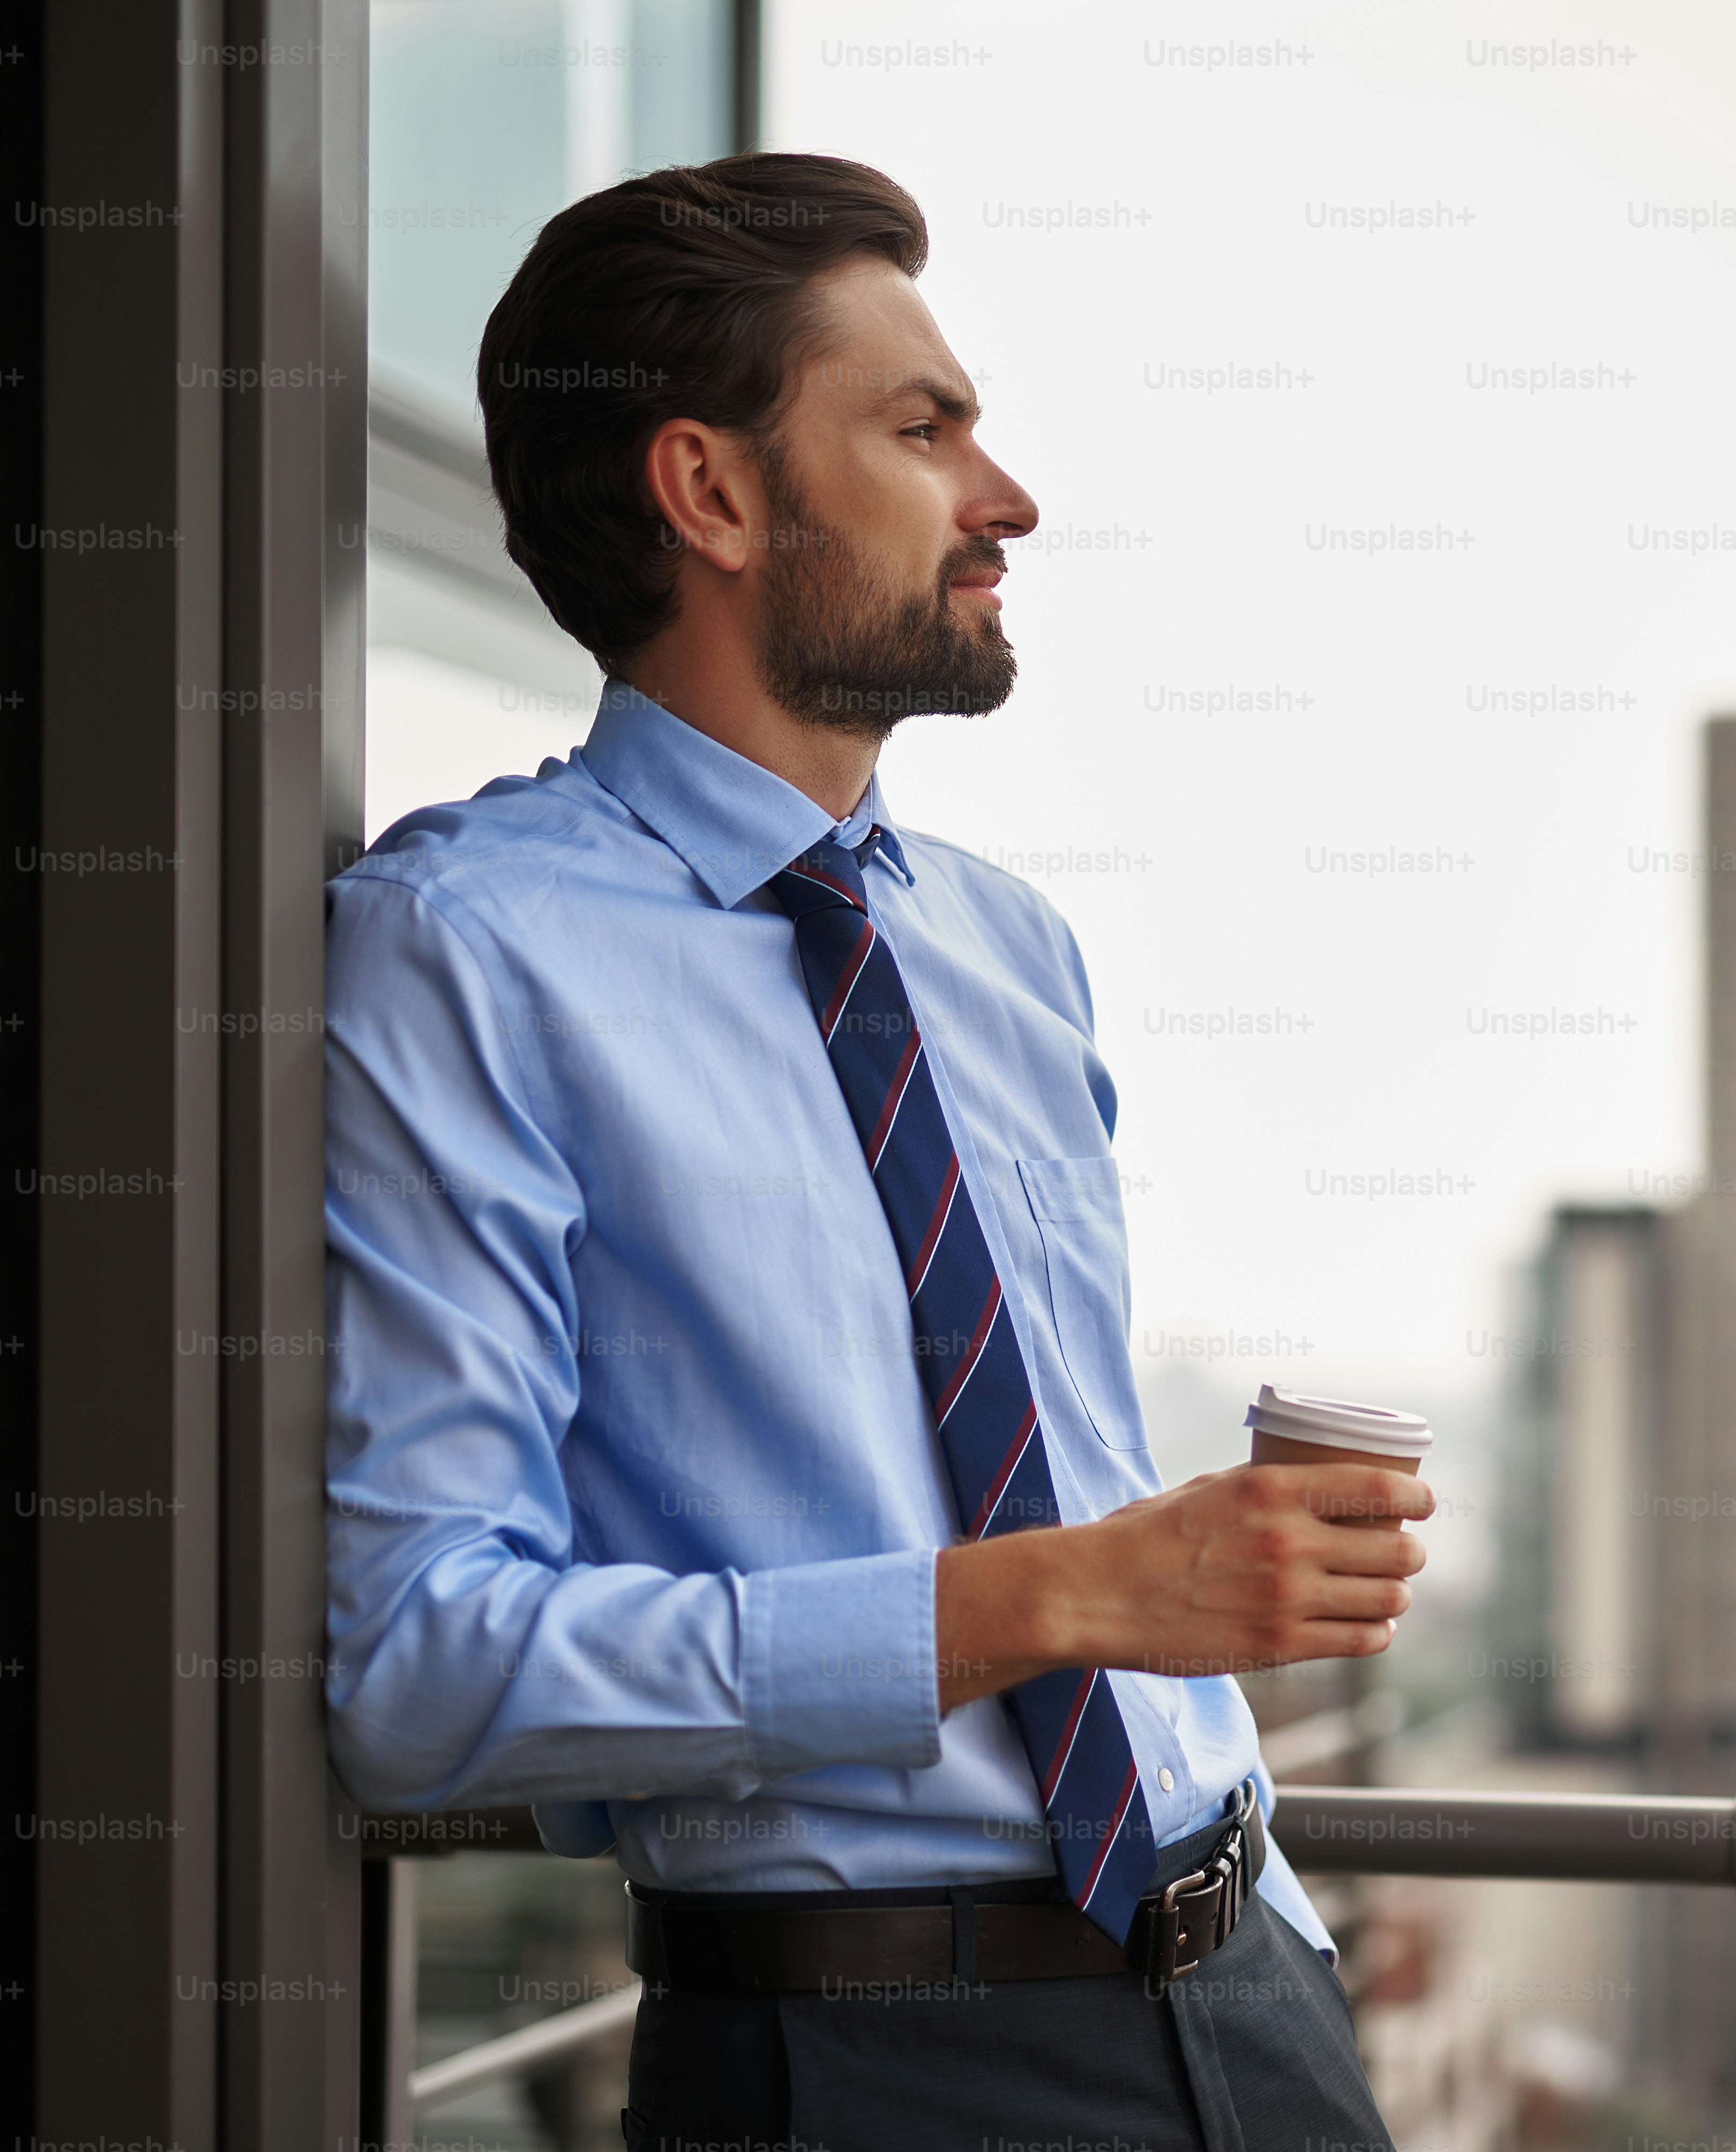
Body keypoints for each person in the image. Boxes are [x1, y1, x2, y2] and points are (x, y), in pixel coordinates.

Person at [323, 152, 1419, 2152]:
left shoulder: (1008, 950)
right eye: (924, 431)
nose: (1006, 498)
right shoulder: (463, 952)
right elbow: (423, 1661)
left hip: (1255, 1986)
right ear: (713, 495)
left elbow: (1037, 1459)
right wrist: (1068, 1596)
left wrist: (1182, 1589)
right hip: (865, 2067)